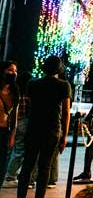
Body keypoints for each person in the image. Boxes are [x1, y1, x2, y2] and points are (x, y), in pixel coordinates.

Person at [17, 56, 71, 198]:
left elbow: (29, 105)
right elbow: (66, 112)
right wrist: (64, 135)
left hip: (33, 127)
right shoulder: (64, 85)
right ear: (59, 68)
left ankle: (20, 195)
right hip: (52, 129)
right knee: (45, 167)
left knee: (27, 165)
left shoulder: (33, 83)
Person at [4, 71, 31, 188]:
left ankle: (6, 173)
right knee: (19, 151)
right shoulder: (25, 94)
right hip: (22, 122)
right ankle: (10, 176)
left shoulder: (14, 90)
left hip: (10, 122)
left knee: (11, 150)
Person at [0, 61, 19, 188]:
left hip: (4, 131)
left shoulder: (15, 92)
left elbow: (15, 117)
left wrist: (12, 136)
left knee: (1, 166)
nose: (13, 73)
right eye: (10, 70)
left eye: (15, 71)